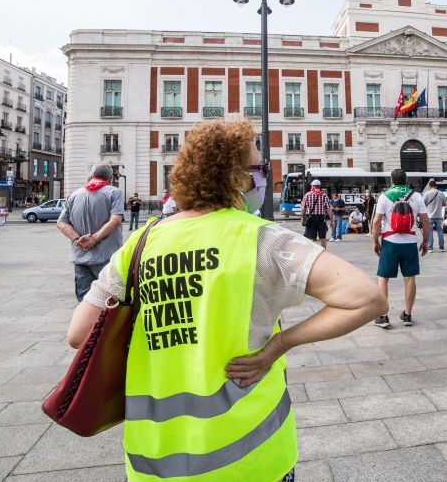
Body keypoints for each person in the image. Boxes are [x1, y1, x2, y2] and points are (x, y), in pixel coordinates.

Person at [66, 120, 386, 481]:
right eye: (259, 168)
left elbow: (79, 334)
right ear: (236, 177)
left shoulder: (141, 243)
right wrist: (278, 345)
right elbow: (367, 299)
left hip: (153, 459)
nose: (262, 178)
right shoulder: (263, 239)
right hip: (252, 456)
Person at [56, 164, 125, 301]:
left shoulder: (75, 195)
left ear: (92, 176)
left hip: (81, 257)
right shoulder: (113, 192)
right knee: (110, 301)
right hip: (107, 257)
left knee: (85, 300)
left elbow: (61, 223)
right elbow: (116, 219)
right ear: (110, 178)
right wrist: (94, 239)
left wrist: (77, 240)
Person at [371, 169, 430, 327]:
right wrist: (425, 241)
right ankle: (407, 315)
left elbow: (376, 221)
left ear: (392, 180)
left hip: (390, 242)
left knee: (383, 278)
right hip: (410, 242)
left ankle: (383, 316)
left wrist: (375, 241)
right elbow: (425, 221)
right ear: (406, 180)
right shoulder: (416, 196)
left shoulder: (385, 196)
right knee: (410, 278)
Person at [301, 179, 332, 249]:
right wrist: (331, 221)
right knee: (322, 237)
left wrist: (302, 218)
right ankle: (324, 253)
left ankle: (311, 253)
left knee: (310, 237)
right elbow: (329, 209)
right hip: (321, 218)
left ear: (312, 186)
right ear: (319, 186)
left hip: (311, 218)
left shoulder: (307, 195)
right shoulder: (324, 195)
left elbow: (303, 209)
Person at [423, 179, 446, 252]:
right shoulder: (441, 193)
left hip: (429, 216)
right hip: (439, 215)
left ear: (429, 186)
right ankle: (441, 247)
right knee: (440, 231)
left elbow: (422, 204)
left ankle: (430, 248)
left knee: (430, 232)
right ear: (436, 186)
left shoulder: (427, 193)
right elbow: (445, 204)